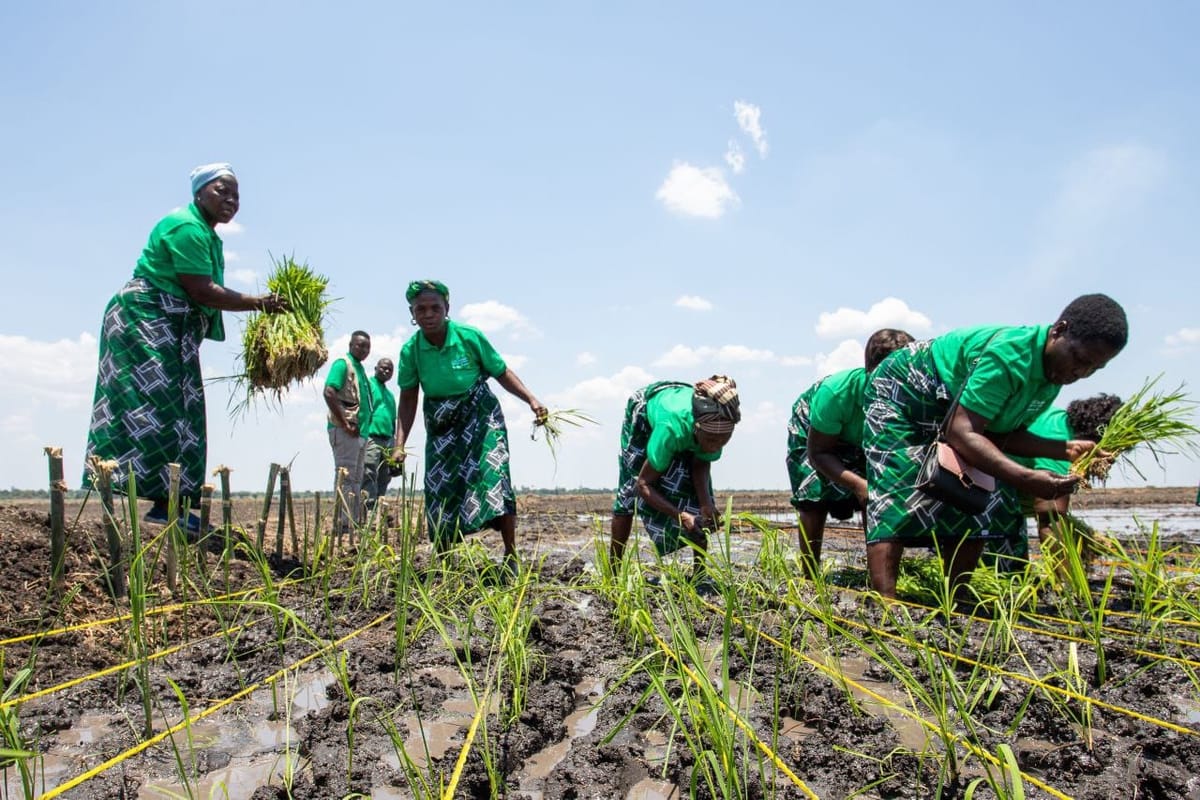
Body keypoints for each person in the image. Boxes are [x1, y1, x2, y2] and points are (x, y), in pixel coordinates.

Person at [861, 294, 1128, 600]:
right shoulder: (1010, 356)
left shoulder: (1052, 377)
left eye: (1094, 368)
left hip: (952, 409)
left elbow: (1001, 434)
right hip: (902, 392)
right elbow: (963, 432)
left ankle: (956, 599)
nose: (1080, 373)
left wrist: (1064, 450)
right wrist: (1026, 479)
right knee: (897, 485)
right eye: (1079, 359)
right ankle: (886, 605)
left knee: (976, 493)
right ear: (1059, 330)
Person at [84, 163, 287, 531]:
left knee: (182, 411)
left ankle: (170, 505)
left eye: (236, 194)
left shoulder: (206, 234)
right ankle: (148, 503)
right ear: (199, 193)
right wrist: (261, 303)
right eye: (221, 190)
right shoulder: (187, 227)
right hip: (146, 320)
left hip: (170, 327)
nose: (230, 199)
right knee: (153, 406)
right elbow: (201, 290)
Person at [391, 280, 546, 564]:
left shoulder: (469, 337)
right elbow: (409, 399)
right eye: (420, 309)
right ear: (412, 313)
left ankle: (511, 556)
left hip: (481, 417)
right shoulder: (411, 351)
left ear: (446, 309)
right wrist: (398, 444)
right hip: (441, 426)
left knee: (495, 475)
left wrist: (531, 400)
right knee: (440, 489)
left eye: (435, 307)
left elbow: (501, 371)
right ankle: (446, 562)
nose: (428, 314)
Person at [786, 329, 914, 579]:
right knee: (813, 497)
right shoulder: (836, 394)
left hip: (865, 438)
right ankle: (810, 576)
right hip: (816, 434)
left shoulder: (912, 395)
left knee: (879, 495)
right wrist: (857, 484)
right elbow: (819, 454)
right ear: (872, 371)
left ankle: (877, 575)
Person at [609, 376, 741, 589]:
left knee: (699, 507)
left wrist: (706, 504)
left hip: (685, 411)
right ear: (697, 428)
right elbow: (643, 484)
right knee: (628, 490)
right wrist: (680, 516)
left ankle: (699, 576)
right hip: (647, 410)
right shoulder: (671, 428)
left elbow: (700, 464)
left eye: (723, 440)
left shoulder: (717, 426)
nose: (715, 445)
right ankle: (612, 574)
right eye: (710, 439)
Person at [985, 393, 1122, 573]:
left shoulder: (1054, 417)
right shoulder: (1063, 446)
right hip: (984, 491)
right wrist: (1067, 583)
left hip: (988, 480)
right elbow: (1050, 519)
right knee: (1006, 574)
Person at [324, 331, 374, 534]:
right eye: (359, 345)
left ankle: (352, 522)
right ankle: (343, 524)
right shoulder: (343, 364)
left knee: (355, 478)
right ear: (350, 345)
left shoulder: (360, 369)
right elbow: (329, 391)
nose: (363, 350)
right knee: (345, 476)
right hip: (346, 430)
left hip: (360, 432)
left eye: (366, 347)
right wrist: (344, 423)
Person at [361, 357, 398, 513]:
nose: (386, 371)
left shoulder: (390, 396)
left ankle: (378, 509)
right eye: (383, 368)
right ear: (376, 368)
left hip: (388, 439)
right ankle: (368, 509)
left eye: (389, 369)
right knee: (369, 472)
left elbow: (393, 421)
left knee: (385, 475)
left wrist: (395, 444)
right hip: (372, 436)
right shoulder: (369, 385)